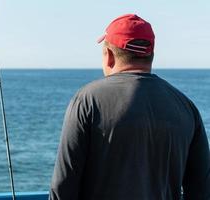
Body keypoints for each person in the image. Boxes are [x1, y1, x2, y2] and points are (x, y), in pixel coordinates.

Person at [49, 14, 210, 200]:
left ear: (109, 56)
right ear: (151, 55)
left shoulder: (87, 101)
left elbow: (63, 187)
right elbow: (202, 191)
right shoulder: (186, 107)